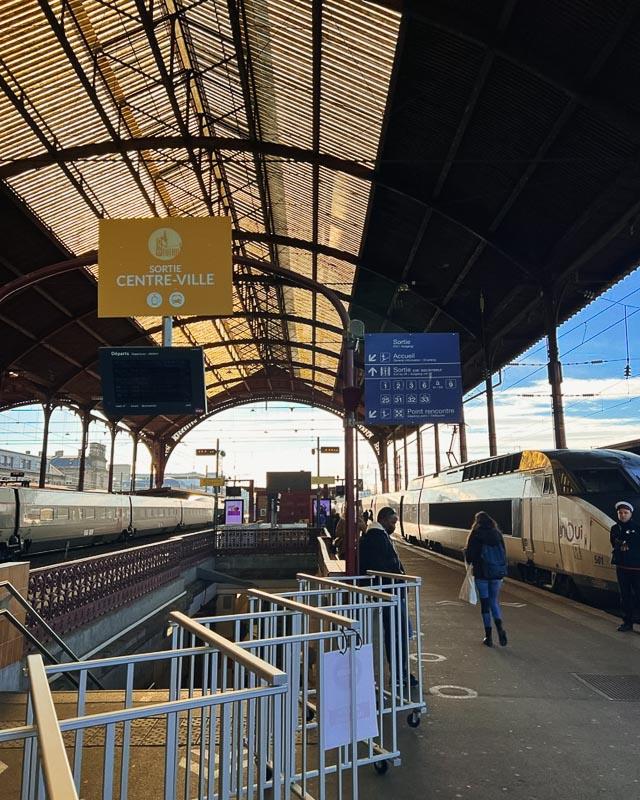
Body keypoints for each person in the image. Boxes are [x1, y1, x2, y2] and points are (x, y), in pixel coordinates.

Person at [359, 506, 417, 686]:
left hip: (388, 593)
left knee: (397, 633)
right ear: (383, 520)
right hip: (387, 594)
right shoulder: (377, 539)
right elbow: (383, 567)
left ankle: (401, 672)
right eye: (393, 522)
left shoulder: (377, 537)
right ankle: (400, 674)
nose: (394, 526)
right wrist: (399, 582)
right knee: (396, 634)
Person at [465, 511, 508, 647]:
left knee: (485, 604)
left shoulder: (476, 534)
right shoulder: (497, 534)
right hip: (496, 574)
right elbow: (503, 554)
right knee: (494, 602)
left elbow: (470, 556)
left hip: (482, 573)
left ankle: (488, 637)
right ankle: (500, 629)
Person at [610, 500, 640, 632]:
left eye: (625, 513)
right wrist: (622, 542)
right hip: (622, 567)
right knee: (625, 595)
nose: (623, 515)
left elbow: (632, 543)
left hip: (637, 568)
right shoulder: (615, 529)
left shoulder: (637, 527)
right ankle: (627, 622)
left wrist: (624, 542)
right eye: (620, 513)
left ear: (630, 514)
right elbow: (615, 542)